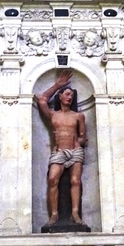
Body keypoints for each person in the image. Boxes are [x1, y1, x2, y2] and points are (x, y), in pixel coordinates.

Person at [37, 70, 88, 226]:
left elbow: (83, 136)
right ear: (60, 96)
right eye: (66, 94)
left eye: (71, 95)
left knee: (75, 181)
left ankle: (75, 214)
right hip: (59, 151)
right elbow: (42, 100)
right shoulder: (53, 115)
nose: (69, 97)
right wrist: (57, 85)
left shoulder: (78, 116)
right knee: (52, 179)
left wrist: (78, 141)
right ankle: (54, 215)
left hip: (75, 152)